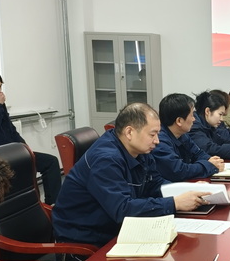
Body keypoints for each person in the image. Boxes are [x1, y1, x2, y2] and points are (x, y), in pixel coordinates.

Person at [52, 103, 209, 247]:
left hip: (117, 230)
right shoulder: (106, 159)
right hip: (86, 242)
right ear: (129, 132)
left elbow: (155, 183)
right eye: (152, 134)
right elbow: (122, 210)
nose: (157, 141)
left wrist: (185, 191)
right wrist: (174, 203)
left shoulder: (139, 150)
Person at [0, 70, 62, 204]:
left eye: (0, 86)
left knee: (51, 162)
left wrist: (24, 147)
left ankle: (53, 204)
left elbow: (10, 128)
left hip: (14, 150)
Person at [153, 93, 225, 181]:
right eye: (191, 115)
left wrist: (211, 160)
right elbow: (179, 171)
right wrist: (209, 166)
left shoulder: (182, 134)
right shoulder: (160, 141)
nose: (194, 119)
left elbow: (198, 153)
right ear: (179, 121)